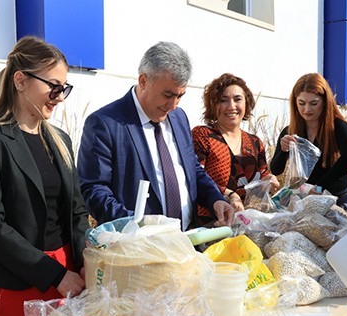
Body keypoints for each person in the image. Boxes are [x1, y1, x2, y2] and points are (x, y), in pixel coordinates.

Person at [0, 36, 88, 316]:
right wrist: (54, 274)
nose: (59, 97)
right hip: (17, 280)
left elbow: (76, 211)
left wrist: (88, 259)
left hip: (69, 277)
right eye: (54, 86)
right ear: (21, 80)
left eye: (64, 88)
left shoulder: (59, 138)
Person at [77, 42, 235, 230]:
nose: (173, 105)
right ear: (143, 81)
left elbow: (191, 169)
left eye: (180, 96)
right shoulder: (105, 124)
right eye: (168, 95)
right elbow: (94, 190)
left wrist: (215, 199)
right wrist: (139, 225)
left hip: (187, 243)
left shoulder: (179, 117)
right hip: (139, 249)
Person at [191, 73, 279, 225]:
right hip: (213, 226)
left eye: (237, 99)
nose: (231, 106)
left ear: (247, 103)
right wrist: (229, 194)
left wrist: (270, 182)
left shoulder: (255, 143)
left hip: (250, 226)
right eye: (223, 100)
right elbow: (194, 177)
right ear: (213, 105)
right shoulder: (203, 136)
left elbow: (263, 178)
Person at [269, 73, 347, 207]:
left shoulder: (337, 126)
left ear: (325, 102)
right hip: (304, 200)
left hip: (335, 198)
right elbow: (276, 170)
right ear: (295, 103)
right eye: (301, 103)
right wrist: (283, 150)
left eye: (314, 103)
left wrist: (319, 187)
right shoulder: (290, 131)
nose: (307, 109)